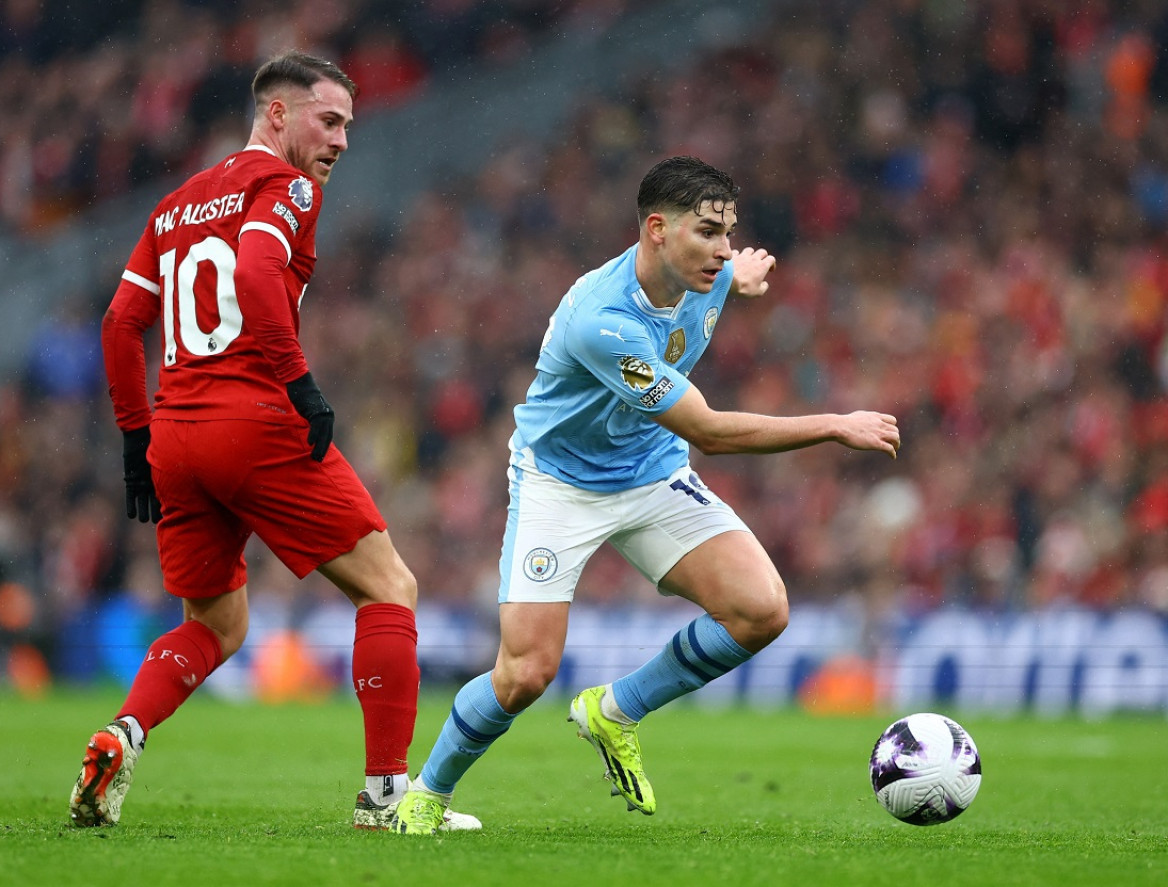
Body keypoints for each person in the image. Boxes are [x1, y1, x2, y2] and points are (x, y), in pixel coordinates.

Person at [391, 156, 901, 834]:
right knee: (524, 673)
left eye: (728, 233)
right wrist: (833, 423)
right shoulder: (604, 321)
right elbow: (711, 433)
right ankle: (425, 796)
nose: (722, 249)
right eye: (708, 232)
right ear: (657, 229)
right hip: (560, 482)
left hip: (651, 470)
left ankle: (616, 709)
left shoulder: (709, 275)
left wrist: (742, 277)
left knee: (761, 609)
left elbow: (725, 287)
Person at [69, 51, 478, 832]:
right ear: (277, 114)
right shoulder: (285, 186)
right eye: (330, 121)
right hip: (250, 421)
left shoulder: (176, 203)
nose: (343, 142)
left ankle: (121, 734)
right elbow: (257, 269)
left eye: (349, 126)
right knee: (389, 588)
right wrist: (299, 381)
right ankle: (386, 796)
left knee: (215, 625)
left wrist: (134, 438)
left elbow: (122, 324)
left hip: (177, 436)